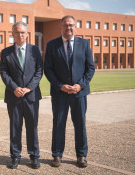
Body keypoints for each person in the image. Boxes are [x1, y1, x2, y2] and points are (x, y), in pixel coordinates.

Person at [44, 15, 95, 168]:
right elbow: (48, 69)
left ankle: (81, 155)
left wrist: (80, 85)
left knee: (80, 124)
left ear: (75, 26)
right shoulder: (52, 45)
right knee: (58, 124)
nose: (69, 28)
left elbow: (90, 68)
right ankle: (57, 155)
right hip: (60, 93)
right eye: (66, 25)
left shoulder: (84, 44)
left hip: (79, 93)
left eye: (71, 25)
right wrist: (60, 85)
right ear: (61, 27)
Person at [0, 21, 43, 169]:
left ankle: (34, 156)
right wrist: (14, 88)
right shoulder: (6, 52)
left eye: (23, 32)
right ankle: (15, 156)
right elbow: (3, 72)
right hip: (14, 96)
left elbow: (39, 71)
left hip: (31, 96)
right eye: (17, 32)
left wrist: (29, 88)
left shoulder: (35, 50)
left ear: (27, 33)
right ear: (12, 34)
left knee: (32, 127)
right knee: (15, 127)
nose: (20, 35)